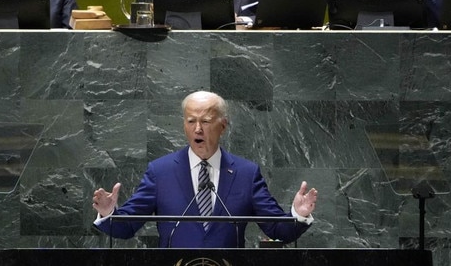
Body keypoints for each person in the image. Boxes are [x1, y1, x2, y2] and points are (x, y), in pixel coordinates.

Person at [92, 91, 318, 248]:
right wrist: (109, 213)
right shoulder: (160, 172)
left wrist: (298, 214)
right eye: (191, 121)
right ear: (184, 126)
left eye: (206, 121)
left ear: (223, 125)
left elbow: (278, 230)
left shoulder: (246, 174)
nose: (197, 129)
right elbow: (126, 227)